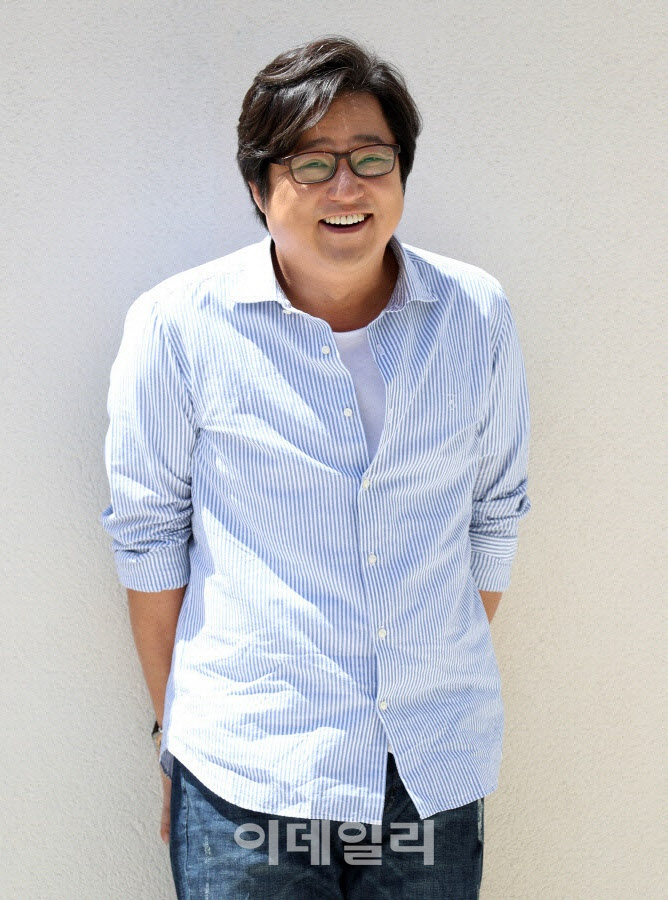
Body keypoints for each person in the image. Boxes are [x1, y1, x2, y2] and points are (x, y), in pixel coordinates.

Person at [102, 35, 531, 899]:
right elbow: (149, 539)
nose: (347, 187)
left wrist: (418, 673)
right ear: (260, 187)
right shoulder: (179, 326)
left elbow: (495, 511)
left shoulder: (474, 316)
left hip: (428, 770)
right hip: (246, 772)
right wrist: (176, 737)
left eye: (372, 158)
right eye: (311, 163)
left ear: (401, 172)